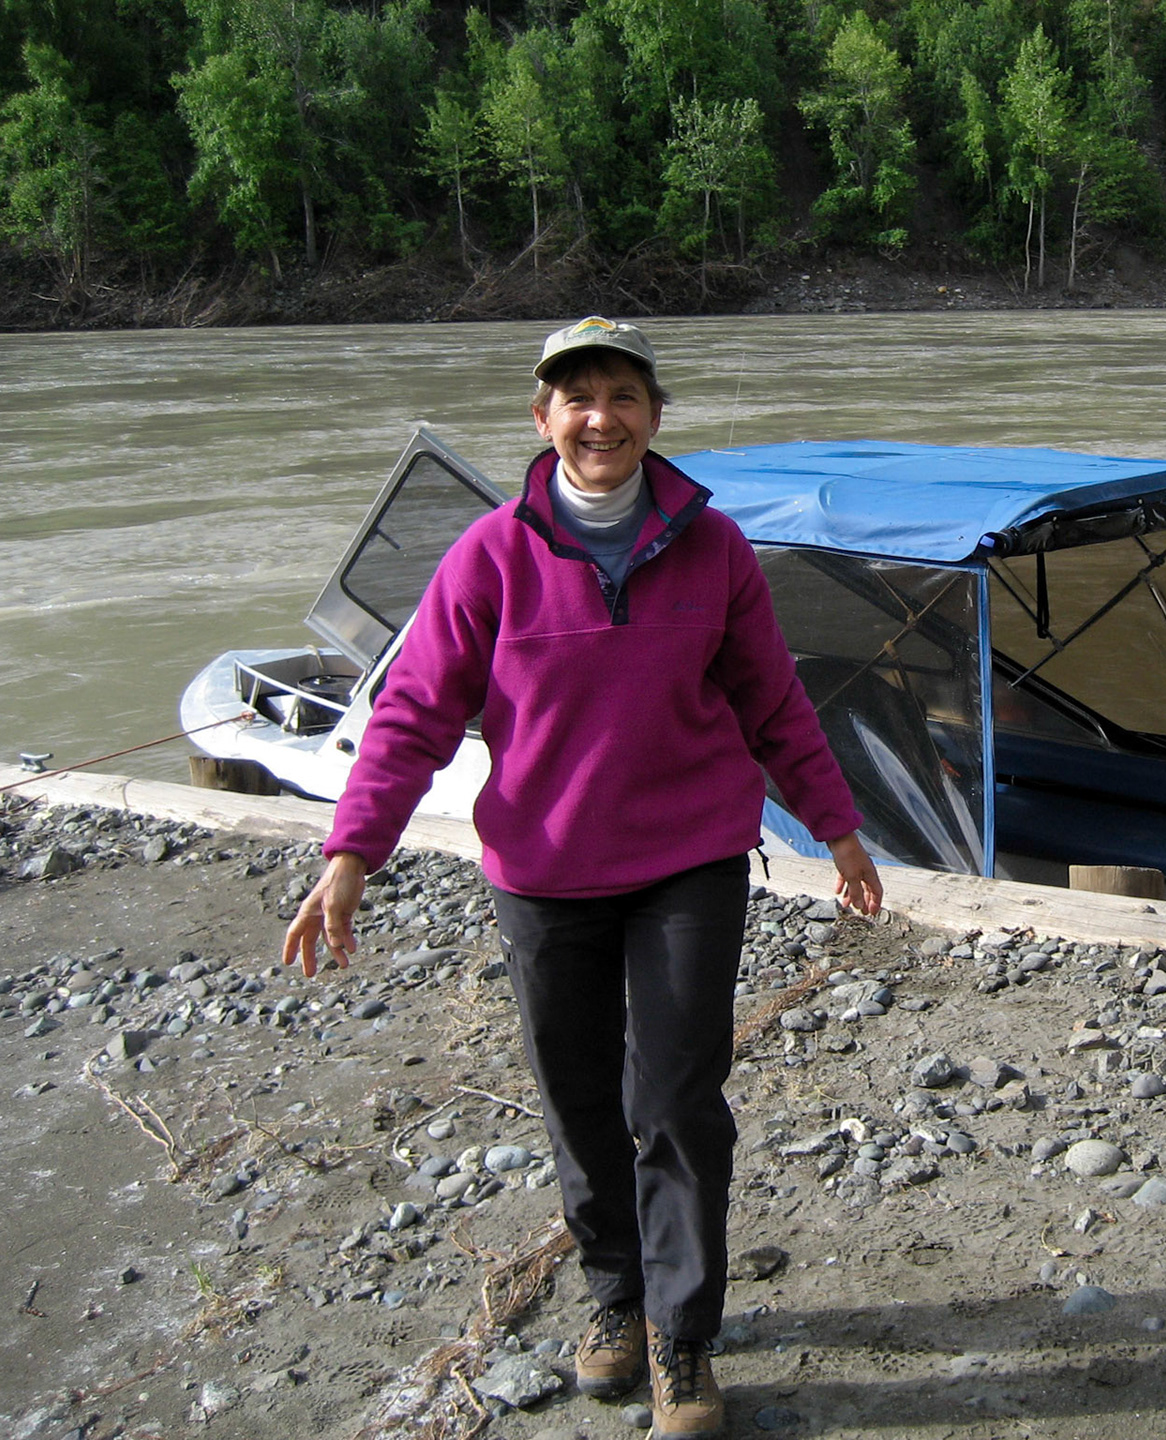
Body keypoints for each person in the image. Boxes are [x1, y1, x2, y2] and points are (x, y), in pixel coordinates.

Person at [283, 316, 882, 1439]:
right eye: (575, 396)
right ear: (542, 417)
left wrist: (840, 832)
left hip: (689, 862)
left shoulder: (716, 551)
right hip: (543, 870)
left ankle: (682, 1338)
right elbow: (412, 715)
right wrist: (352, 856)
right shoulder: (490, 556)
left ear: (656, 415)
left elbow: (775, 706)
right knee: (576, 1098)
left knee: (676, 1103)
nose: (598, 416)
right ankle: (613, 1296)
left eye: (620, 394)